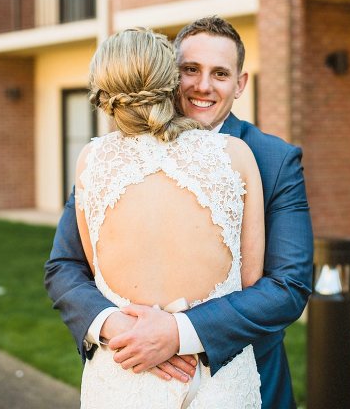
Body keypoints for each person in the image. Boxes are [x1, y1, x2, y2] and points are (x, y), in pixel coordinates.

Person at [45, 16, 313, 409]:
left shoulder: (272, 158)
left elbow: (288, 285)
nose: (203, 86)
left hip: (241, 377)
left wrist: (178, 333)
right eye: (191, 70)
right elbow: (65, 266)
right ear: (171, 75)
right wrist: (116, 327)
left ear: (240, 85)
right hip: (130, 370)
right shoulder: (108, 159)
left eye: (220, 73)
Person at [73, 27, 264, 408]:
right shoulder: (236, 155)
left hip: (125, 371)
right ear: (171, 81)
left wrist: (158, 331)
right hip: (215, 378)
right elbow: (250, 279)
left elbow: (96, 269)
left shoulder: (91, 161)